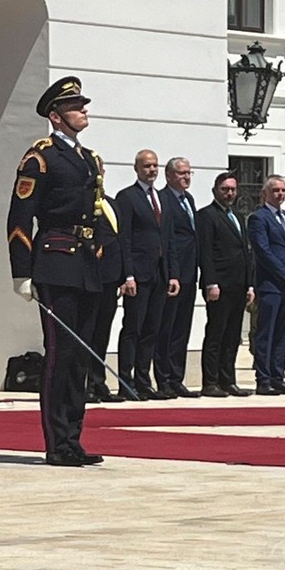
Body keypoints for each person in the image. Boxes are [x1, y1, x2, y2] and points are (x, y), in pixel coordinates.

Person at [7, 77, 104, 466]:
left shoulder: (89, 159)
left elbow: (97, 216)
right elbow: (19, 218)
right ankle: (56, 442)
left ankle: (74, 439)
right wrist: (22, 272)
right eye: (75, 106)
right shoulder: (40, 158)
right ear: (55, 116)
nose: (83, 110)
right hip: (55, 262)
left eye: (83, 104)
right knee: (59, 355)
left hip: (85, 265)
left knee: (80, 356)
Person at [114, 150, 180, 401]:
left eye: (154, 166)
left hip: (160, 274)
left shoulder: (162, 198)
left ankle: (144, 381)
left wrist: (173, 274)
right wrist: (127, 274)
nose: (151, 170)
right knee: (133, 328)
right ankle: (125, 381)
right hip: (138, 275)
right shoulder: (127, 197)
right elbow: (125, 239)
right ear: (136, 168)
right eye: (146, 166)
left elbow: (169, 238)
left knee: (152, 329)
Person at [196, 172, 254, 398]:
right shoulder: (206, 216)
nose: (229, 193)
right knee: (216, 334)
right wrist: (211, 282)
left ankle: (228, 379)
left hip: (239, 284)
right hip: (219, 284)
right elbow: (206, 252)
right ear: (215, 191)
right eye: (225, 189)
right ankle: (210, 382)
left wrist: (249, 285)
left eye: (232, 189)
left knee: (232, 335)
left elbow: (245, 252)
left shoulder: (238, 217)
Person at [247, 175, 285, 395]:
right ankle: (263, 379)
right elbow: (263, 252)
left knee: (284, 333)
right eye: (275, 191)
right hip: (271, 283)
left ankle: (277, 375)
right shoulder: (258, 218)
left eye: (283, 190)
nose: (280, 194)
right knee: (267, 332)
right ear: (265, 194)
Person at [154, 156, 200, 398]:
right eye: (181, 173)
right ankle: (163, 378)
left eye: (189, 173)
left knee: (182, 328)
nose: (186, 177)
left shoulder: (188, 200)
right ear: (169, 175)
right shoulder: (164, 200)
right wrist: (173, 273)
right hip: (173, 273)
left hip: (190, 272)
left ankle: (176, 376)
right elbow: (169, 239)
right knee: (167, 328)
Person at [85, 194, 122, 403]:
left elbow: (120, 238)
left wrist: (124, 274)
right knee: (88, 331)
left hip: (111, 277)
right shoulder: (85, 202)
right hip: (93, 275)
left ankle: (99, 382)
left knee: (102, 332)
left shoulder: (111, 202)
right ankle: (87, 384)